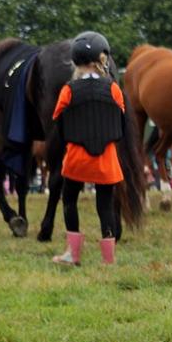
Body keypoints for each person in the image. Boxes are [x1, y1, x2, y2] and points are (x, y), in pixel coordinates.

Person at [51, 31, 124, 267]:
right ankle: (108, 259)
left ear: (75, 61)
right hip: (106, 159)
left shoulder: (68, 90)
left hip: (77, 158)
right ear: (102, 58)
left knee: (69, 199)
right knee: (105, 204)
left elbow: (59, 122)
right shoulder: (113, 88)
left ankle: (73, 254)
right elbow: (121, 121)